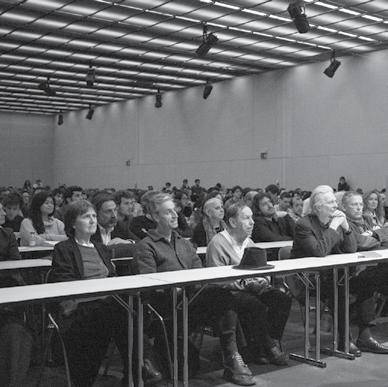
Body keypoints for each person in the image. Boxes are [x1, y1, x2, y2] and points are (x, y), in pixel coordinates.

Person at [133, 193, 256, 386]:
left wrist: (190, 288)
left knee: (223, 296)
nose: (175, 215)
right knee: (190, 368)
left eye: (175, 210)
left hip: (191, 302)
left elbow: (199, 274)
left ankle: (233, 356)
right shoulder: (146, 246)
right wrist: (180, 289)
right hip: (167, 308)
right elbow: (149, 288)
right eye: (168, 212)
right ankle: (232, 355)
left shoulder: (184, 243)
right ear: (156, 217)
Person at [291, 185, 388, 355]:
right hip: (309, 278)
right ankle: (344, 340)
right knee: (341, 290)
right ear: (318, 206)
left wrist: (347, 228)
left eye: (335, 202)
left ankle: (365, 337)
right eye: (331, 202)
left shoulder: (332, 222)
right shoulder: (304, 225)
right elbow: (319, 251)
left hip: (332, 274)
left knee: (365, 283)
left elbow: (350, 249)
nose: (336, 206)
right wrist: (335, 226)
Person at [49, 200, 131, 387]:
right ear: (72, 223)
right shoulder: (63, 248)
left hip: (105, 306)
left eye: (94, 216)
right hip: (80, 306)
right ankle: (139, 369)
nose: (92, 220)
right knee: (122, 314)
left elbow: (112, 276)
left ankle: (134, 372)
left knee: (129, 311)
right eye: (86, 216)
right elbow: (64, 283)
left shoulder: (101, 247)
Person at [206, 203, 291, 366]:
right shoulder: (217, 243)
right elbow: (218, 280)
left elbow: (261, 269)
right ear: (232, 222)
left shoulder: (249, 242)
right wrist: (250, 284)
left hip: (252, 288)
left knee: (282, 300)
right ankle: (268, 346)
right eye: (246, 218)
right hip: (230, 291)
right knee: (255, 306)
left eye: (252, 217)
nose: (252, 222)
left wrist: (262, 280)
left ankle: (259, 345)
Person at [0, 202, 33, 387]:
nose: (4, 212)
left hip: (7, 290)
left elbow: (15, 262)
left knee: (15, 332)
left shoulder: (7, 234)